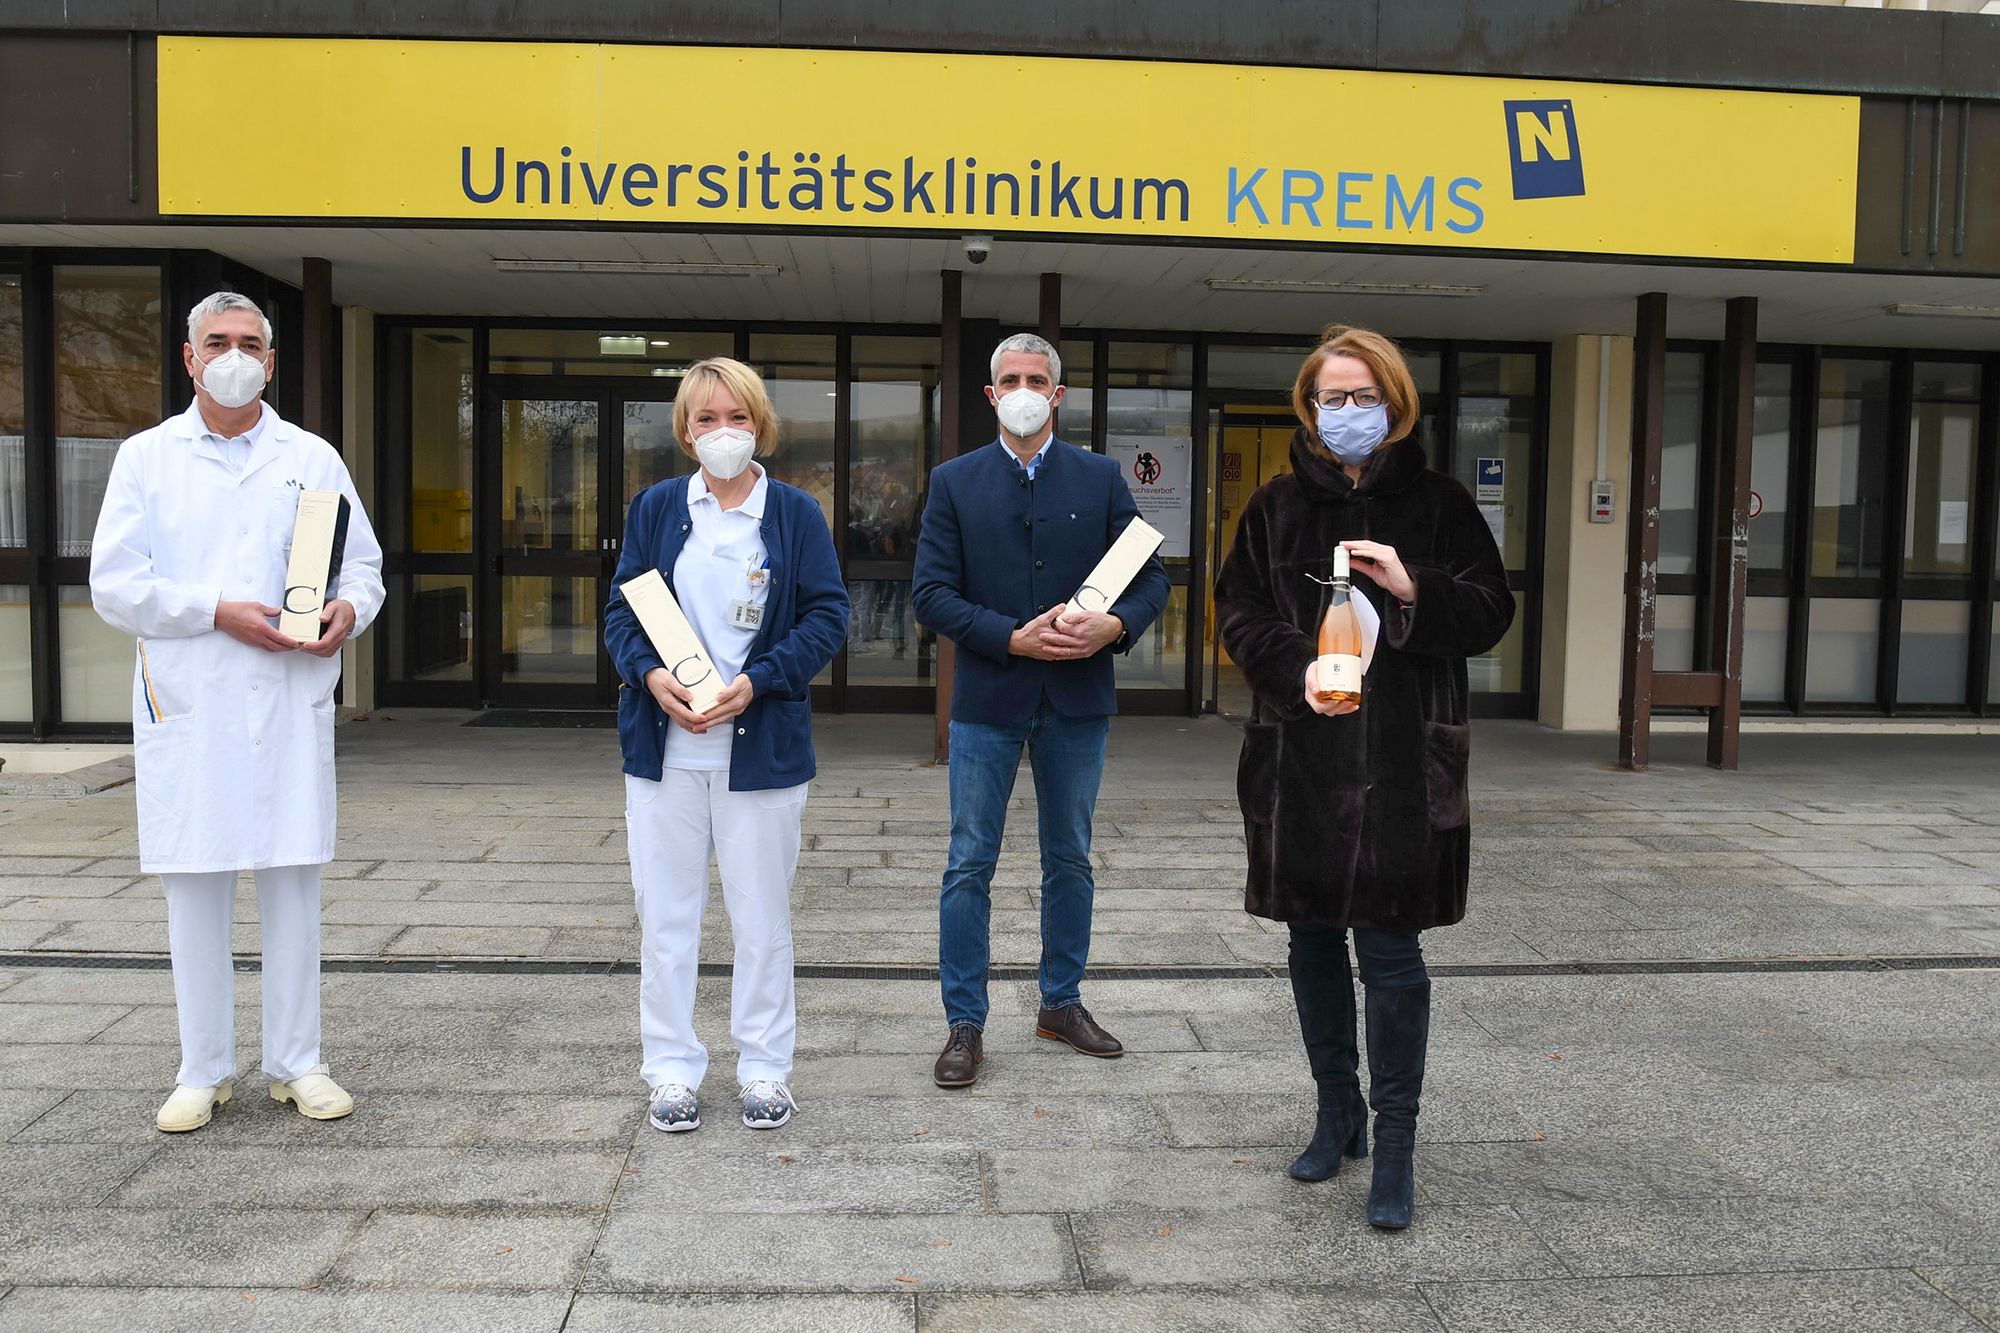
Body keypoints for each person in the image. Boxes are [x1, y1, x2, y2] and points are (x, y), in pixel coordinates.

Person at [1213, 324, 1514, 1229]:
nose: (1347, 412)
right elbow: (1239, 609)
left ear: (1395, 404)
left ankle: (1397, 1143)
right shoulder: (1272, 506)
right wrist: (1294, 666)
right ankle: (1334, 1109)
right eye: (1330, 398)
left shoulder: (1442, 502)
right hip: (1299, 756)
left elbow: (1492, 608)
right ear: (1308, 407)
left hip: (1400, 766)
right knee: (1309, 940)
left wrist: (1415, 586)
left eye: (1363, 396)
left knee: (1389, 948)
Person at [89, 291, 385, 1133]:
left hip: (287, 699)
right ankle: (203, 1067)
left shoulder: (312, 456)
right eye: (216, 341)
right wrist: (216, 609)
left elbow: (361, 567)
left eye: (249, 342)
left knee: (293, 884)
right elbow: (114, 585)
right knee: (195, 887)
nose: (233, 354)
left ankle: (299, 1062)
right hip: (193, 699)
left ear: (270, 360)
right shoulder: (147, 459)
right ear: (188, 358)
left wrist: (346, 613)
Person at [912, 333, 1169, 1088]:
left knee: (1070, 858)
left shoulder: (1101, 476)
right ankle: (965, 1021)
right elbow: (930, 592)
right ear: (992, 394)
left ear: (1058, 393)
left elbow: (1150, 579)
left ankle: (1061, 1001)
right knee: (969, 863)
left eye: (1037, 378)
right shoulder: (954, 482)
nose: (1024, 388)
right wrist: (1007, 637)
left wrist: (1116, 624)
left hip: (1078, 699)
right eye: (1010, 378)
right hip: (989, 697)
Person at [603, 356, 848, 1134]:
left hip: (760, 746)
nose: (722, 432)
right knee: (666, 917)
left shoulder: (795, 516)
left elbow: (828, 618)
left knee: (761, 916)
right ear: (684, 430)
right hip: (666, 750)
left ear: (761, 425)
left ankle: (765, 1066)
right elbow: (620, 613)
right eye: (705, 419)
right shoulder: (655, 509)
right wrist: (649, 677)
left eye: (737, 417)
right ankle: (671, 1068)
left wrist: (762, 678)